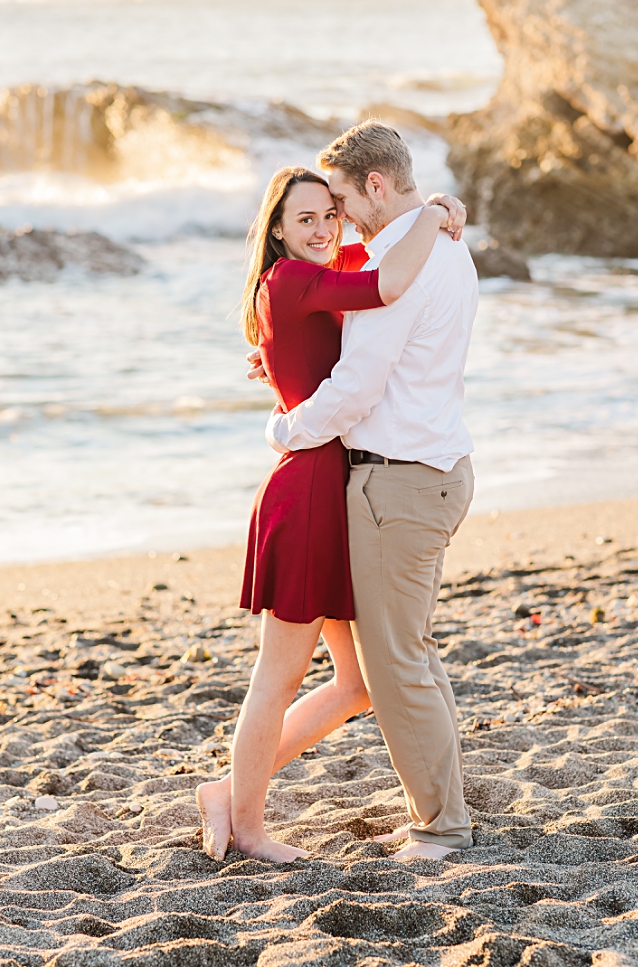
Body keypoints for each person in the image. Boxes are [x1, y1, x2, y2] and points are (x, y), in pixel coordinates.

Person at [196, 165, 464, 862]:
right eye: (304, 219)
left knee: (355, 684)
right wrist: (434, 215)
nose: (321, 229)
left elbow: (371, 259)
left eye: (328, 216)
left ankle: (227, 790)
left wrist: (430, 210)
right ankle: (247, 824)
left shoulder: (311, 270)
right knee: (278, 674)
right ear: (277, 230)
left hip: (333, 488)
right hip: (308, 492)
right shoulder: (291, 279)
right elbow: (385, 282)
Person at [260, 121, 479, 863]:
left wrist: (287, 428)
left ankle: (442, 826)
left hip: (398, 481)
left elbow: (356, 385)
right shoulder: (446, 244)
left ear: (377, 186)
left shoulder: (403, 261)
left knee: (395, 665)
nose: (342, 217)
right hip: (438, 468)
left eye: (346, 200)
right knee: (411, 652)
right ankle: (442, 808)